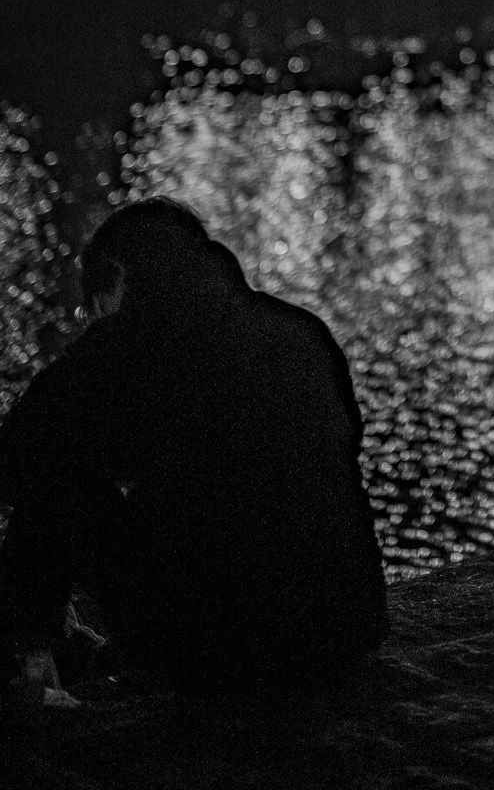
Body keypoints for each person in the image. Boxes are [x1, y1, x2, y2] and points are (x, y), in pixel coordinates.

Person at [0, 199, 387, 696]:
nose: (96, 317)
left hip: (224, 647)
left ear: (120, 278)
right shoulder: (297, 329)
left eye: (98, 302)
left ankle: (28, 666)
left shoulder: (124, 349)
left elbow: (14, 459)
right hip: (343, 624)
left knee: (52, 485)